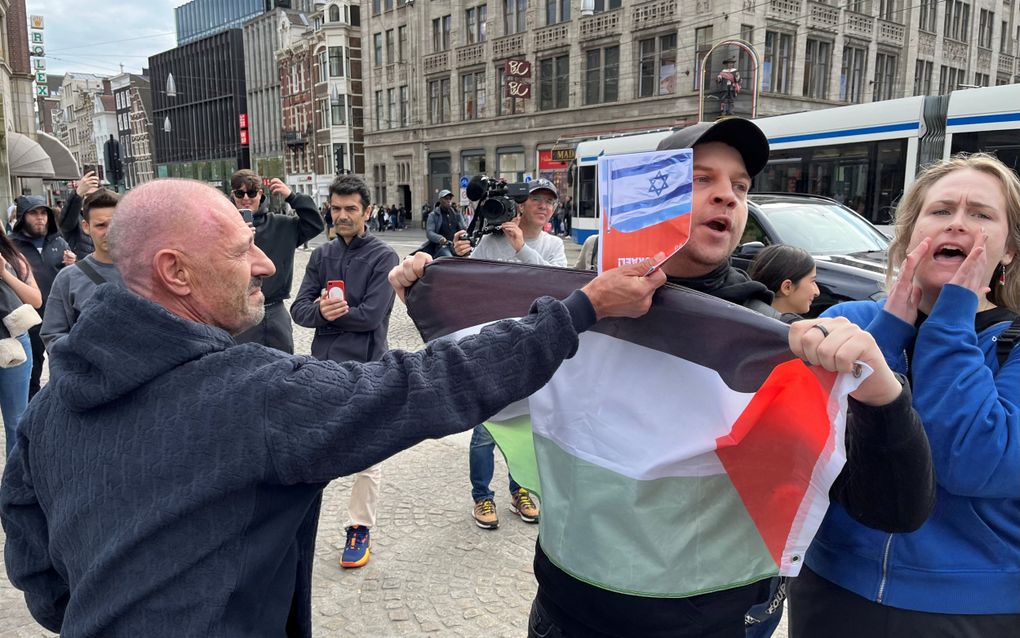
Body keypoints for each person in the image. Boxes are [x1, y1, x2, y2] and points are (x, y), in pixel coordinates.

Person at [0, 177, 665, 637]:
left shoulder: (48, 412)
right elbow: (428, 384)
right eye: (240, 251)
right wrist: (582, 310)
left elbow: (35, 570)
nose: (264, 264)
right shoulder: (251, 393)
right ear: (176, 272)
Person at [523, 118, 936, 638]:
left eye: (739, 186)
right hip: (564, 615)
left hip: (715, 625)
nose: (728, 197)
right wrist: (432, 285)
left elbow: (893, 507)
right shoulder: (575, 311)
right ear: (650, 191)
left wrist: (883, 397)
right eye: (702, 180)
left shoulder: (773, 341)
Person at [788, 153, 1020, 637]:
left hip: (967, 609)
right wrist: (888, 337)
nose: (958, 223)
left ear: (1009, 250)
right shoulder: (854, 320)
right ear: (912, 234)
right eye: (941, 211)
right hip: (832, 585)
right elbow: (811, 442)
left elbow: (976, 462)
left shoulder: (1010, 345)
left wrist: (951, 320)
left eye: (980, 214)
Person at [290, 176, 399, 568]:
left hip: (367, 368)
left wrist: (332, 317)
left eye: (351, 208)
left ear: (367, 211)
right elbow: (298, 310)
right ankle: (296, 522)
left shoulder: (384, 257)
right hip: (323, 368)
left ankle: (359, 527)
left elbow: (372, 317)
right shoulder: (321, 257)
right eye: (336, 208)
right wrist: (321, 313)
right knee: (312, 448)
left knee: (368, 456)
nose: (342, 215)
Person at [229, 169, 323, 354]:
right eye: (240, 193)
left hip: (275, 310)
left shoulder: (283, 225)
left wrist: (292, 197)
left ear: (260, 194)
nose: (246, 198)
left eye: (252, 192)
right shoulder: (223, 229)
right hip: (240, 310)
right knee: (242, 368)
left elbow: (315, 223)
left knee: (284, 366)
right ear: (233, 195)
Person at [40, 189, 124, 354]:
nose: (109, 232)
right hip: (89, 375)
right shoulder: (67, 278)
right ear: (86, 227)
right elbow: (52, 336)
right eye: (101, 225)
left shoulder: (149, 273)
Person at [10, 195, 75, 399]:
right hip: (28, 320)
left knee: (64, 368)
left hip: (58, 318)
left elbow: (70, 280)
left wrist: (73, 264)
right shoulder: (11, 246)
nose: (40, 218)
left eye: (43, 213)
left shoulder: (59, 242)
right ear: (22, 217)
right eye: (33, 213)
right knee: (31, 374)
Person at [453, 179, 567, 267]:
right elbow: (469, 278)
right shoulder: (490, 241)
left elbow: (558, 281)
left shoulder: (554, 245)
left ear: (553, 209)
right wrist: (462, 254)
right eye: (536, 199)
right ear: (521, 205)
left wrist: (522, 249)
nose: (543, 206)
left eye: (549, 201)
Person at [0, 226, 41, 456]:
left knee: (16, 418)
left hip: (14, 340)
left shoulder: (14, 258)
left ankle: (16, 481)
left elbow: (35, 300)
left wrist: (4, 273)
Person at [748, 244, 819, 316]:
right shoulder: (773, 326)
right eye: (812, 281)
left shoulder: (745, 316)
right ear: (787, 287)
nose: (817, 292)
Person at [57, 171, 99, 260]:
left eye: (94, 195)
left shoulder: (109, 218)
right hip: (82, 269)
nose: (91, 199)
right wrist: (78, 194)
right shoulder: (76, 218)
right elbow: (66, 223)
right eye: (87, 195)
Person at [426, 190, 464, 257]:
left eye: (449, 199)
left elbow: (463, 228)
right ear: (440, 200)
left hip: (456, 245)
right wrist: (440, 239)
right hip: (442, 246)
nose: (448, 201)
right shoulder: (433, 215)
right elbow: (429, 232)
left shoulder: (455, 213)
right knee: (450, 259)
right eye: (446, 199)